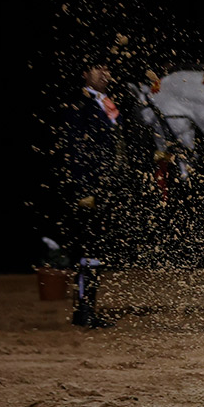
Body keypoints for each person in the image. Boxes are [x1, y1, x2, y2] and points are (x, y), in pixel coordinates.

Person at [60, 62, 126, 328]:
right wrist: (83, 188)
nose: (105, 74)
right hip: (88, 187)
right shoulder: (79, 104)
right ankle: (84, 309)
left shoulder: (109, 103)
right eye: (97, 69)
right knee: (87, 248)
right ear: (85, 74)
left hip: (107, 187)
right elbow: (74, 146)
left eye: (108, 69)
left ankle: (86, 307)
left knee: (96, 249)